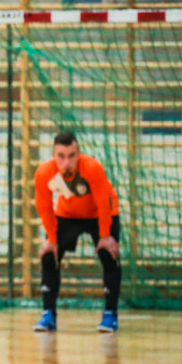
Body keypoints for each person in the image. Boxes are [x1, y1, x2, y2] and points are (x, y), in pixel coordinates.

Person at [32, 131, 122, 333]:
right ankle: (48, 314)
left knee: (109, 254)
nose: (67, 162)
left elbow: (103, 202)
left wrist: (105, 235)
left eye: (72, 156)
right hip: (69, 213)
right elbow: (44, 206)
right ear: (53, 156)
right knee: (49, 255)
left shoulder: (92, 168)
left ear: (78, 154)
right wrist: (52, 240)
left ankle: (110, 314)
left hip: (102, 213)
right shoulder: (44, 173)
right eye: (61, 156)